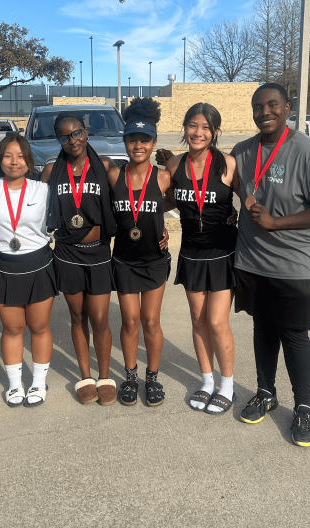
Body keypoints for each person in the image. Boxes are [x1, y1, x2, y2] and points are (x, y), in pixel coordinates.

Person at [231, 83, 310, 447]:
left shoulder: (308, 152)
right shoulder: (243, 150)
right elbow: (230, 177)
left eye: (273, 105)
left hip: (295, 264)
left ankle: (304, 408)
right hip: (252, 261)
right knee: (263, 328)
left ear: (288, 107)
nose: (265, 112)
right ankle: (266, 392)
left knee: (293, 335)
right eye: (258, 106)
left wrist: (276, 222)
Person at [161, 103, 238, 415]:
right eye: (193, 126)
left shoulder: (229, 164)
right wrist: (154, 228)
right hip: (191, 252)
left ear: (215, 132)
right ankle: (207, 381)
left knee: (217, 322)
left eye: (206, 127)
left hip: (222, 251)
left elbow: (250, 201)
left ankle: (227, 385)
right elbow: (161, 201)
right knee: (198, 320)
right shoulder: (174, 166)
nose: (198, 132)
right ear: (185, 128)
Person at [41, 111, 119, 406]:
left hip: (98, 252)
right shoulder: (51, 172)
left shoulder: (106, 167)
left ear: (85, 133)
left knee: (100, 317)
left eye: (76, 133)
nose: (72, 140)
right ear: (58, 140)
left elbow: (126, 205)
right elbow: (34, 208)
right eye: (64, 136)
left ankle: (106, 375)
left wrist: (157, 231)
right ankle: (85, 376)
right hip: (67, 254)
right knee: (78, 316)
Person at [0, 134, 57, 407]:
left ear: (29, 160)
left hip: (39, 264)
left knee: (38, 327)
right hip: (4, 265)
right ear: (0, 159)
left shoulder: (42, 190)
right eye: (8, 156)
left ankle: (38, 381)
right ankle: (15, 384)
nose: (15, 162)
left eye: (21, 156)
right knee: (12, 328)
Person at [107, 98, 173, 407]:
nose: (138, 145)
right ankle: (131, 375)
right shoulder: (113, 176)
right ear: (125, 141)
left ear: (154, 143)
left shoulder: (162, 178)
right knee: (130, 320)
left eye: (144, 140)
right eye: (132, 139)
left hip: (154, 262)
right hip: (124, 261)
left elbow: (177, 202)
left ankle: (152, 377)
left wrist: (162, 224)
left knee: (150, 321)